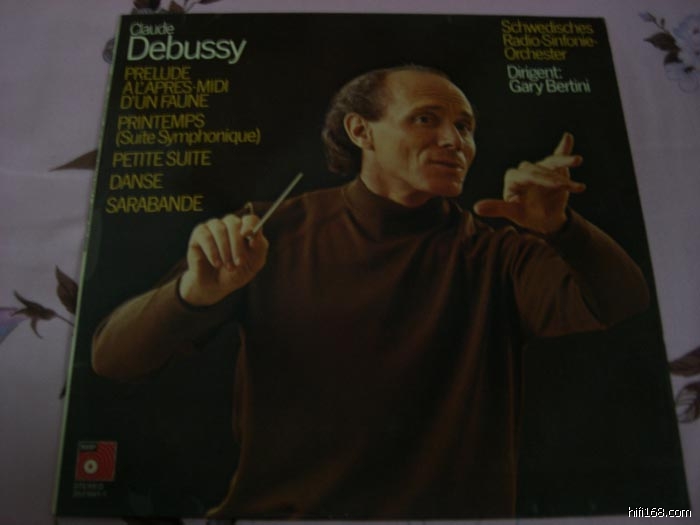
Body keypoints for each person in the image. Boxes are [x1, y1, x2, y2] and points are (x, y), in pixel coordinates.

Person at [92, 65, 650, 519]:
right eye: (426, 119)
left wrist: (562, 229)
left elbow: (622, 301)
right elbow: (113, 359)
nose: (455, 141)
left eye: (465, 126)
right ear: (361, 132)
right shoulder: (269, 232)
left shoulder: (496, 255)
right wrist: (194, 293)